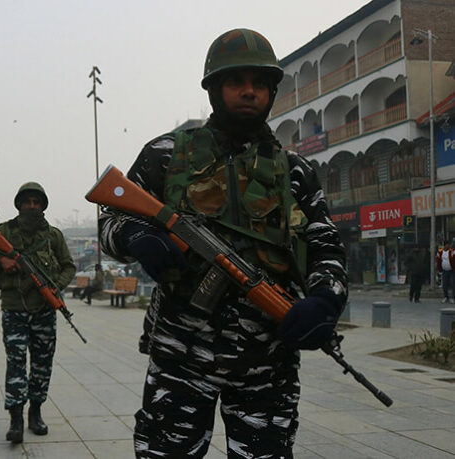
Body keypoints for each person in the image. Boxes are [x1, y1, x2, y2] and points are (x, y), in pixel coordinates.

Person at [97, 29, 348, 458]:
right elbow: (111, 219)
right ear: (214, 88)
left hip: (268, 361)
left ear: (271, 92)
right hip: (179, 355)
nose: (249, 91)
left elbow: (326, 245)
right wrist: (136, 236)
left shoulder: (295, 171)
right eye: (236, 81)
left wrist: (325, 299)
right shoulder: (166, 154)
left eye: (260, 83)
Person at [0, 182, 75, 444]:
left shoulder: (53, 235)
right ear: (19, 204)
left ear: (43, 205)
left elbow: (68, 266)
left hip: (44, 309)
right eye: (27, 201)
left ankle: (35, 412)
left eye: (36, 202)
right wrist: (2, 261)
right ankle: (16, 419)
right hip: (14, 309)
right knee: (16, 363)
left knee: (43, 363)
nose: (32, 206)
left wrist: (54, 286)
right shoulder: (5, 231)